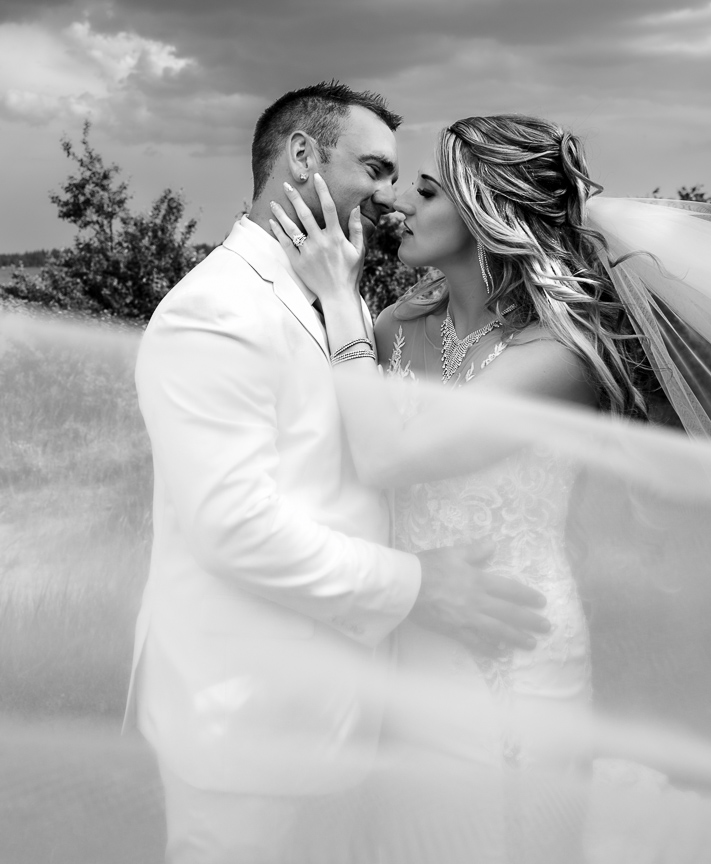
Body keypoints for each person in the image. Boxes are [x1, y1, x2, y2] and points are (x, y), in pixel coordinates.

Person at [126, 87, 551, 864]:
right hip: (250, 723)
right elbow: (234, 527)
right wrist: (418, 586)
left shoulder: (329, 293)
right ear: (301, 157)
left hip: (347, 712)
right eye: (377, 168)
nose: (391, 196)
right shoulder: (216, 311)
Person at [268, 114, 661, 861]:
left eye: (425, 190)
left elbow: (388, 456)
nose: (398, 207)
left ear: (489, 213)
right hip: (408, 643)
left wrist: (339, 297)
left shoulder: (558, 354)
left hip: (511, 652)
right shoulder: (395, 329)